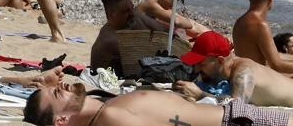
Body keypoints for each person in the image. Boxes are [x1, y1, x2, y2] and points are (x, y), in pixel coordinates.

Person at [22, 72, 293, 126]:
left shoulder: (104, 109)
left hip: (239, 115)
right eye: (59, 92)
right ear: (60, 120)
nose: (64, 86)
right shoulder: (110, 117)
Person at [174, 31, 293, 107]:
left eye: (201, 64)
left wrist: (199, 94)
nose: (196, 70)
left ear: (220, 61)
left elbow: (236, 106)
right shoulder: (222, 70)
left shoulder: (244, 71)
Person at [89, 0, 162, 75]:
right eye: (126, 11)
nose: (132, 13)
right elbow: (144, 57)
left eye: (132, 7)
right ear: (112, 14)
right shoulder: (109, 39)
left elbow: (163, 30)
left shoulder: (133, 18)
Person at [233, 0, 293, 75]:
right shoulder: (260, 25)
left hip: (245, 75)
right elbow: (277, 65)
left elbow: (266, 56)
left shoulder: (239, 22)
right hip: (257, 81)